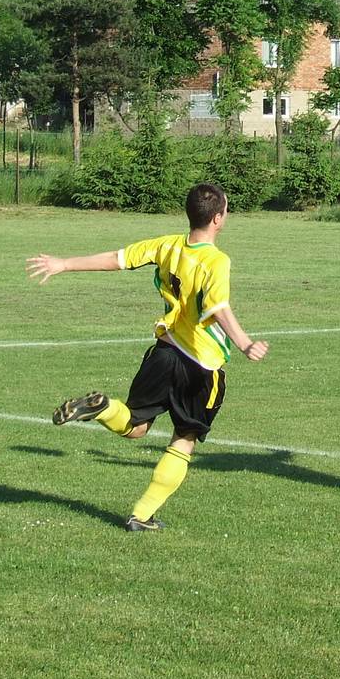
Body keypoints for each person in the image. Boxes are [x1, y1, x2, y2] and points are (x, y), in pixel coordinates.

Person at [26, 183, 268, 531]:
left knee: (135, 427)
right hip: (202, 365)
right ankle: (141, 515)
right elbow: (218, 306)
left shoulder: (167, 245)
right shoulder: (217, 260)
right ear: (218, 218)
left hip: (165, 353)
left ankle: (102, 408)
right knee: (184, 438)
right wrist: (244, 343)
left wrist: (64, 264)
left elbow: (117, 259)